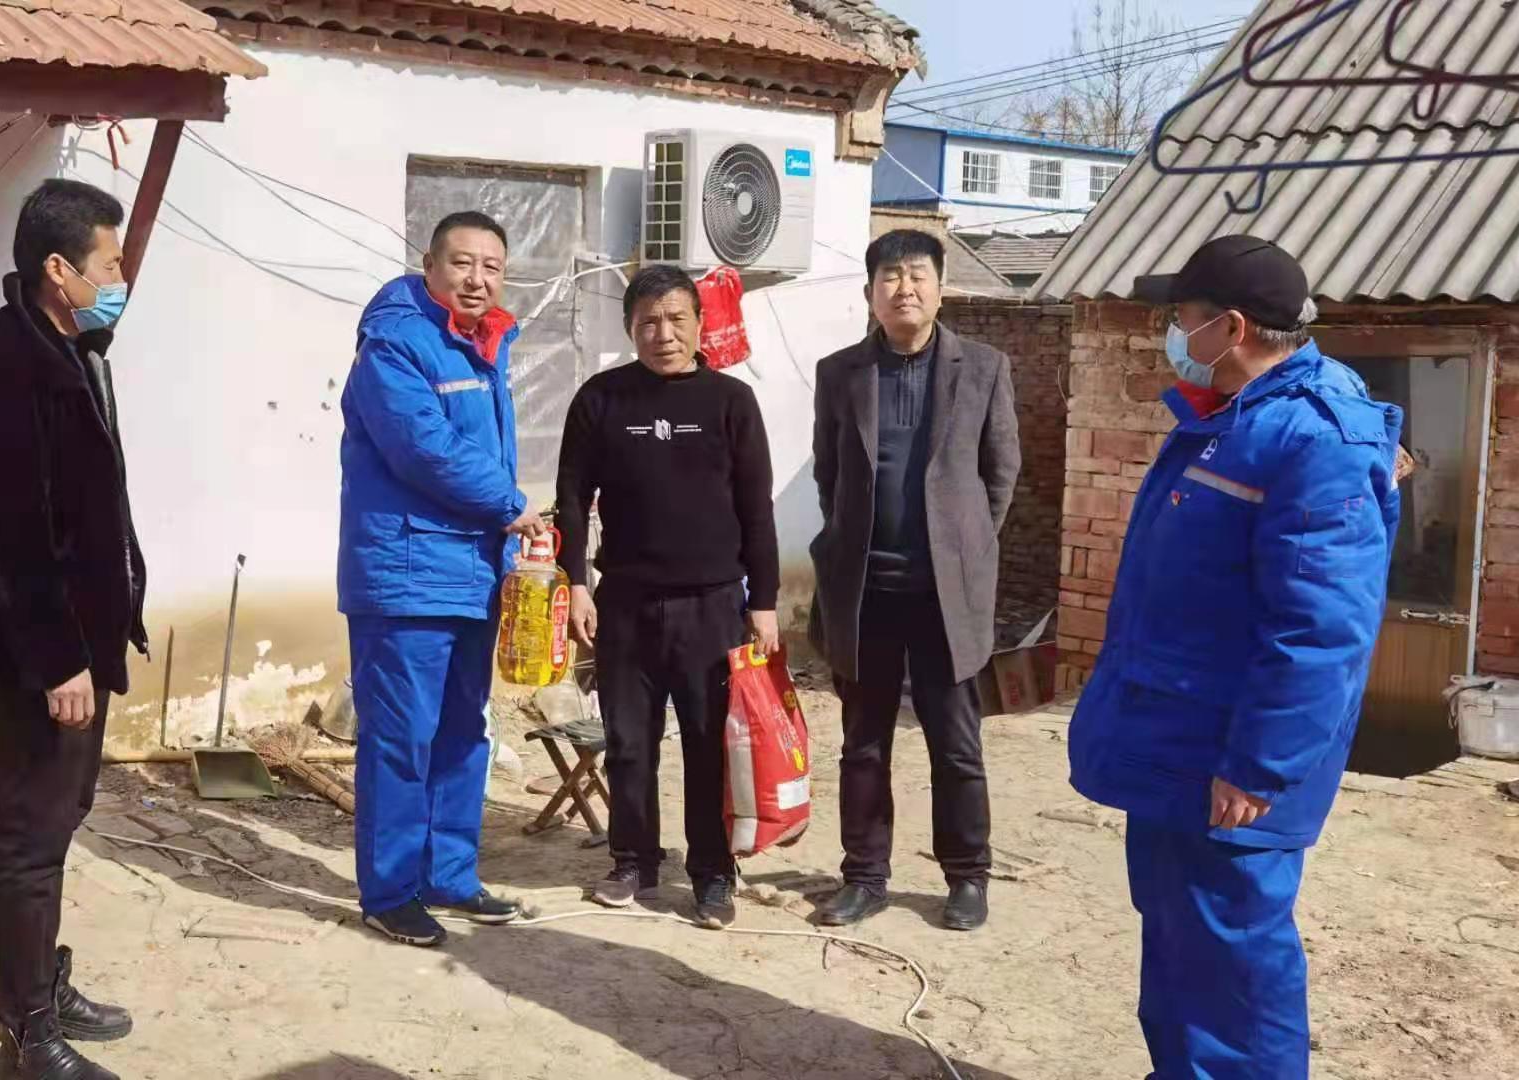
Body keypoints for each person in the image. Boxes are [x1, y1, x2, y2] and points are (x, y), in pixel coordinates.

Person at [1070, 235, 1399, 1077]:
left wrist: (1258, 767)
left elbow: (1318, 630)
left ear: (1232, 327)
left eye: (1183, 316)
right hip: (1180, 740)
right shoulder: (1234, 417)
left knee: (1232, 961)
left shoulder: (1311, 438)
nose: (1173, 333)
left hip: (1232, 761)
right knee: (1181, 942)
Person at [0, 178, 143, 1080]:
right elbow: (12, 536)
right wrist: (60, 659)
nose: (120, 278)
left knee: (60, 819)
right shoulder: (6, 368)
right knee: (29, 836)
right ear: (59, 270)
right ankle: (26, 1031)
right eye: (110, 263)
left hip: (80, 643)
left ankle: (42, 985)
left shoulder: (70, 347)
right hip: (38, 654)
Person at [336, 210, 544, 947]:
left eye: (492, 266)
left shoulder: (482, 346)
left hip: (471, 572)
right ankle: (390, 892)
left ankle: (449, 875)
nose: (477, 279)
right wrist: (512, 505)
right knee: (401, 739)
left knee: (463, 732)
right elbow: (423, 450)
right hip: (405, 575)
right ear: (428, 266)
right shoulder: (395, 343)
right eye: (461, 262)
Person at [553, 265, 778, 930]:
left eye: (677, 319)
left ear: (700, 324)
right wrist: (576, 582)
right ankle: (633, 861)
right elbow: (572, 497)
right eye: (648, 321)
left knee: (709, 745)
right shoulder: (601, 399)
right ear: (630, 328)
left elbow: (756, 508)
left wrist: (763, 600)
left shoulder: (730, 402)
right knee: (629, 742)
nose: (663, 333)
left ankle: (712, 874)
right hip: (624, 603)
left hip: (712, 606)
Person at [808, 228, 1019, 932]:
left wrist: (962, 549)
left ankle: (967, 877)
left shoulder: (983, 368)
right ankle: (864, 876)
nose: (904, 288)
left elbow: (1000, 474)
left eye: (917, 274)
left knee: (955, 743)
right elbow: (829, 473)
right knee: (863, 744)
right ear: (870, 292)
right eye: (890, 276)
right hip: (866, 593)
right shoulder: (840, 372)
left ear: (940, 287)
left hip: (943, 596)